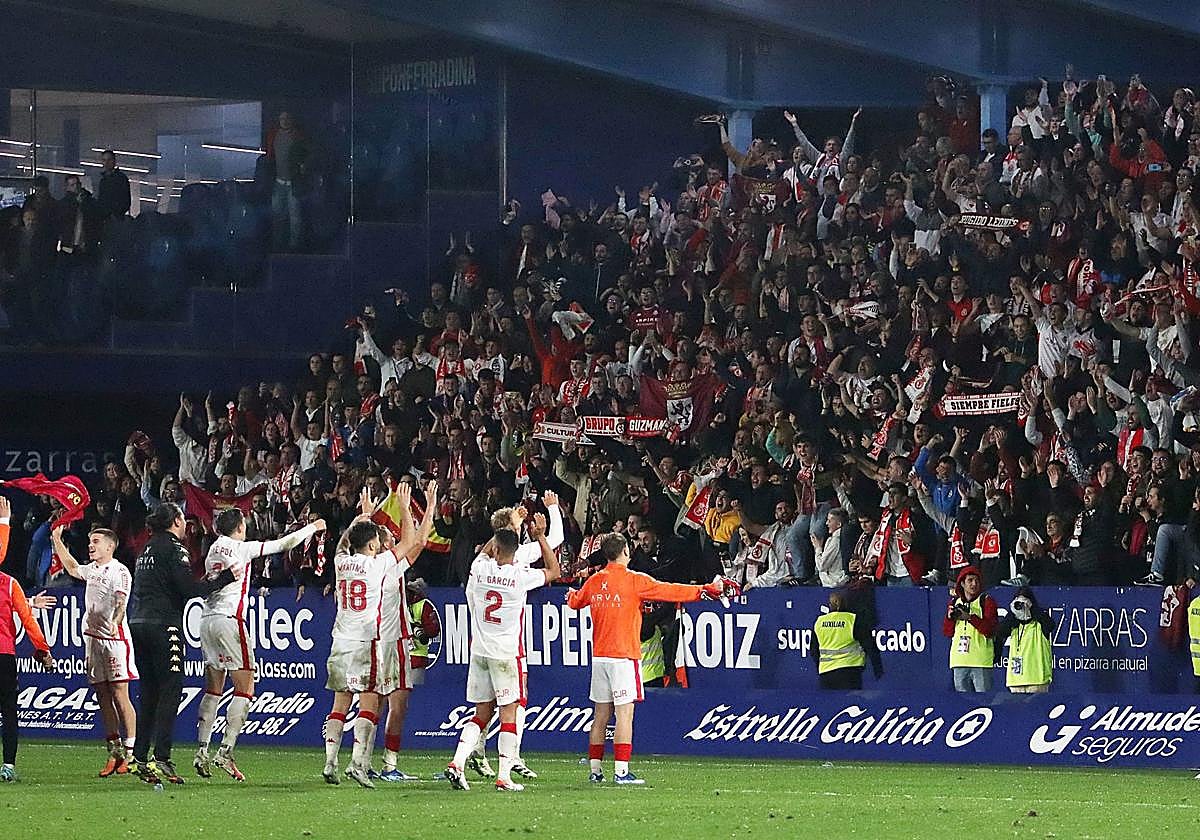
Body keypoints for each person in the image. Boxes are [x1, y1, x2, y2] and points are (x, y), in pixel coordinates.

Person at [566, 533, 731, 785]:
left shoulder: (594, 581)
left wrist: (570, 595)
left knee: (600, 715)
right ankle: (622, 772)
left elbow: (575, 602)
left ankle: (595, 771)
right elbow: (669, 590)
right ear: (625, 552)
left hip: (600, 658)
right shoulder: (634, 580)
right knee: (624, 715)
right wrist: (704, 590)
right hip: (624, 657)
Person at [193, 508, 326, 781]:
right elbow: (284, 544)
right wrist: (313, 527)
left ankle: (201, 751)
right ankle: (225, 751)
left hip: (206, 620)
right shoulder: (242, 548)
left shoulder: (213, 550)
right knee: (245, 688)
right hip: (230, 619)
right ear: (240, 528)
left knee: (213, 688)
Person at [321, 483, 435, 789]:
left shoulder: (341, 562)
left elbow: (343, 544)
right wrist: (406, 506)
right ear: (375, 545)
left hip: (340, 640)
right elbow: (414, 541)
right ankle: (359, 764)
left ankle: (330, 762)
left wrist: (363, 517)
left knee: (339, 704)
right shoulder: (382, 567)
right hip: (369, 640)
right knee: (370, 703)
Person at [445, 513, 559, 792]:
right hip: (506, 654)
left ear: (495, 548)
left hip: (479, 652)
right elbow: (554, 571)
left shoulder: (479, 568)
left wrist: (502, 530)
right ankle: (504, 776)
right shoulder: (520, 576)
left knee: (480, 713)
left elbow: (485, 552)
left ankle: (457, 763)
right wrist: (540, 537)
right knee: (510, 713)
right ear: (515, 551)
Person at [129, 503, 237, 785]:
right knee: (170, 689)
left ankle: (139, 756)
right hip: (163, 624)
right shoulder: (175, 548)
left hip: (138, 622)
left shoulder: (146, 548)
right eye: (182, 519)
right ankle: (162, 757)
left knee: (149, 692)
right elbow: (189, 590)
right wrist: (224, 579)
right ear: (176, 521)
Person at [49, 524, 137, 776]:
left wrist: (116, 621)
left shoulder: (119, 571)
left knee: (120, 694)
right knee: (102, 694)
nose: (91, 545)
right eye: (90, 541)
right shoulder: (92, 569)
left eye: (96, 541)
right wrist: (57, 539)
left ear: (110, 546)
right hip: (92, 639)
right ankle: (115, 751)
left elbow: (121, 602)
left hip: (114, 640)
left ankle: (131, 752)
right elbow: (72, 567)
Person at [0, 497, 57, 782]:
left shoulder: (11, 585)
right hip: (4, 656)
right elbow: (29, 623)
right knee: (9, 711)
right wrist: (43, 651)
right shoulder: (10, 584)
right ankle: (8, 765)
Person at [942, 565, 998, 693]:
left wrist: (970, 618)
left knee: (984, 701)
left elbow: (990, 630)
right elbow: (947, 632)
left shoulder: (986, 601)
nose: (974, 584)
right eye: (970, 580)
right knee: (963, 702)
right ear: (962, 583)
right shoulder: (954, 603)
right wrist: (950, 618)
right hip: (959, 661)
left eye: (977, 581)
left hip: (981, 661)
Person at [810, 590, 882, 689]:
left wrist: (820, 666)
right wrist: (878, 670)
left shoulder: (819, 622)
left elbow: (813, 650)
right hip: (850, 672)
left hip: (826, 674)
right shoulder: (852, 620)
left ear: (830, 605)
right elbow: (870, 646)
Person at [994, 587, 1054, 693]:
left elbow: (1050, 625)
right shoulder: (1014, 625)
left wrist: (1031, 607)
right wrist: (1013, 612)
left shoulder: (1039, 624)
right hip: (1015, 681)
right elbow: (1000, 631)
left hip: (1037, 681)